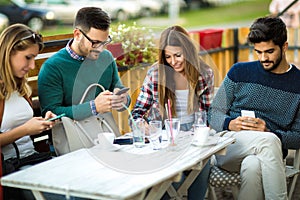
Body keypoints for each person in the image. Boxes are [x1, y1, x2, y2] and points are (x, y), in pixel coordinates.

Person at [208, 16, 300, 200]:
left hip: (268, 156)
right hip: (231, 146)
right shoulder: (239, 71)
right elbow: (213, 113)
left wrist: (268, 130)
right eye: (258, 52)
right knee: (269, 141)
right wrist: (230, 123)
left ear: (284, 46)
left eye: (269, 51)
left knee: (253, 165)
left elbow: (298, 137)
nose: (263, 58)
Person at [131, 25, 214, 200]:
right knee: (171, 181)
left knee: (201, 166)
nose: (173, 61)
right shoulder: (156, 73)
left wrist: (200, 134)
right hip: (164, 138)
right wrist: (141, 124)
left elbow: (208, 114)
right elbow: (137, 112)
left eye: (178, 55)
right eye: (167, 56)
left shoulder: (204, 73)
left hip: (194, 136)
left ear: (188, 51)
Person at [38, 7, 130, 126]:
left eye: (105, 42)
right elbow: (50, 113)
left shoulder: (106, 57)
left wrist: (123, 100)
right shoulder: (52, 67)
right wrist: (93, 107)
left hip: (104, 134)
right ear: (77, 34)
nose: (101, 49)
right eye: (95, 43)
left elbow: (118, 88)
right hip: (72, 139)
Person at [0, 24, 57, 199]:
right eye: (28, 58)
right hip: (12, 169)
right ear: (9, 53)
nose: (32, 66)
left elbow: (24, 124)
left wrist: (43, 123)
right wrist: (26, 129)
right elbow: (23, 128)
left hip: (34, 160)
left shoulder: (20, 86)